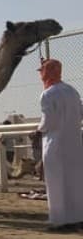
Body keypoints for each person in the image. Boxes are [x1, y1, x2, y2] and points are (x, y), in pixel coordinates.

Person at [36, 59, 83, 230]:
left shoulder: (48, 94)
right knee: (75, 182)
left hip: (55, 144)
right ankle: (77, 217)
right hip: (75, 144)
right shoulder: (72, 91)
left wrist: (38, 129)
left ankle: (59, 221)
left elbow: (48, 121)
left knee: (56, 183)